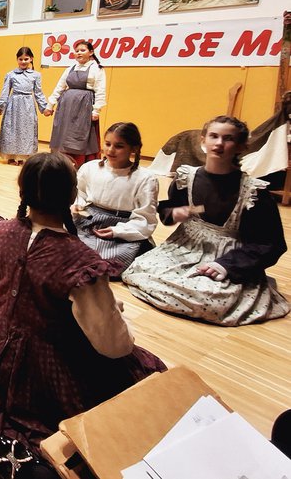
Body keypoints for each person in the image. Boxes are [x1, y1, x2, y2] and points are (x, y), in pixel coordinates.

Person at [0, 152, 166, 478]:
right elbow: (112, 345)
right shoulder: (77, 260)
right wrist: (112, 312)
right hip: (41, 371)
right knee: (145, 370)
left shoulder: (0, 233)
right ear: (72, 195)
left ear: (23, 191)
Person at [123, 116, 289, 326]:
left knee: (212, 299)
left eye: (228, 139)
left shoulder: (254, 192)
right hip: (183, 247)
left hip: (227, 255)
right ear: (203, 141)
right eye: (214, 136)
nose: (219, 143)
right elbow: (168, 209)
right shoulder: (187, 178)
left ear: (240, 146)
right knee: (137, 270)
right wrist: (173, 213)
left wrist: (226, 265)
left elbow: (270, 243)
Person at [73, 122, 158, 274]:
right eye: (107, 144)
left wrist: (117, 231)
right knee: (64, 248)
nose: (110, 150)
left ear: (134, 148)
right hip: (88, 220)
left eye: (119, 146)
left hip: (123, 226)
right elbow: (79, 192)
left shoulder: (145, 178)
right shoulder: (90, 167)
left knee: (107, 262)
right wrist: (78, 205)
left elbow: (146, 219)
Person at [43, 40, 106, 167]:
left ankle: (80, 164)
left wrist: (96, 110)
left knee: (79, 136)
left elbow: (100, 90)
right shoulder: (69, 69)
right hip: (66, 107)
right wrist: (50, 105)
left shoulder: (97, 69)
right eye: (77, 51)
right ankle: (60, 162)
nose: (79, 53)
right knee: (62, 134)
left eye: (82, 50)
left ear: (91, 52)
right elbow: (59, 87)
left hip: (84, 107)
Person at [0, 47, 47, 165]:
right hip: (13, 105)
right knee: (11, 129)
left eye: (26, 59)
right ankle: (11, 156)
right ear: (17, 59)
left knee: (27, 130)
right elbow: (5, 91)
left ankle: (23, 157)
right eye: (20, 59)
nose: (23, 61)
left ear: (31, 59)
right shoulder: (10, 74)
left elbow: (38, 93)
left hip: (28, 105)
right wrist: (0, 107)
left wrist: (44, 108)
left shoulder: (36, 75)